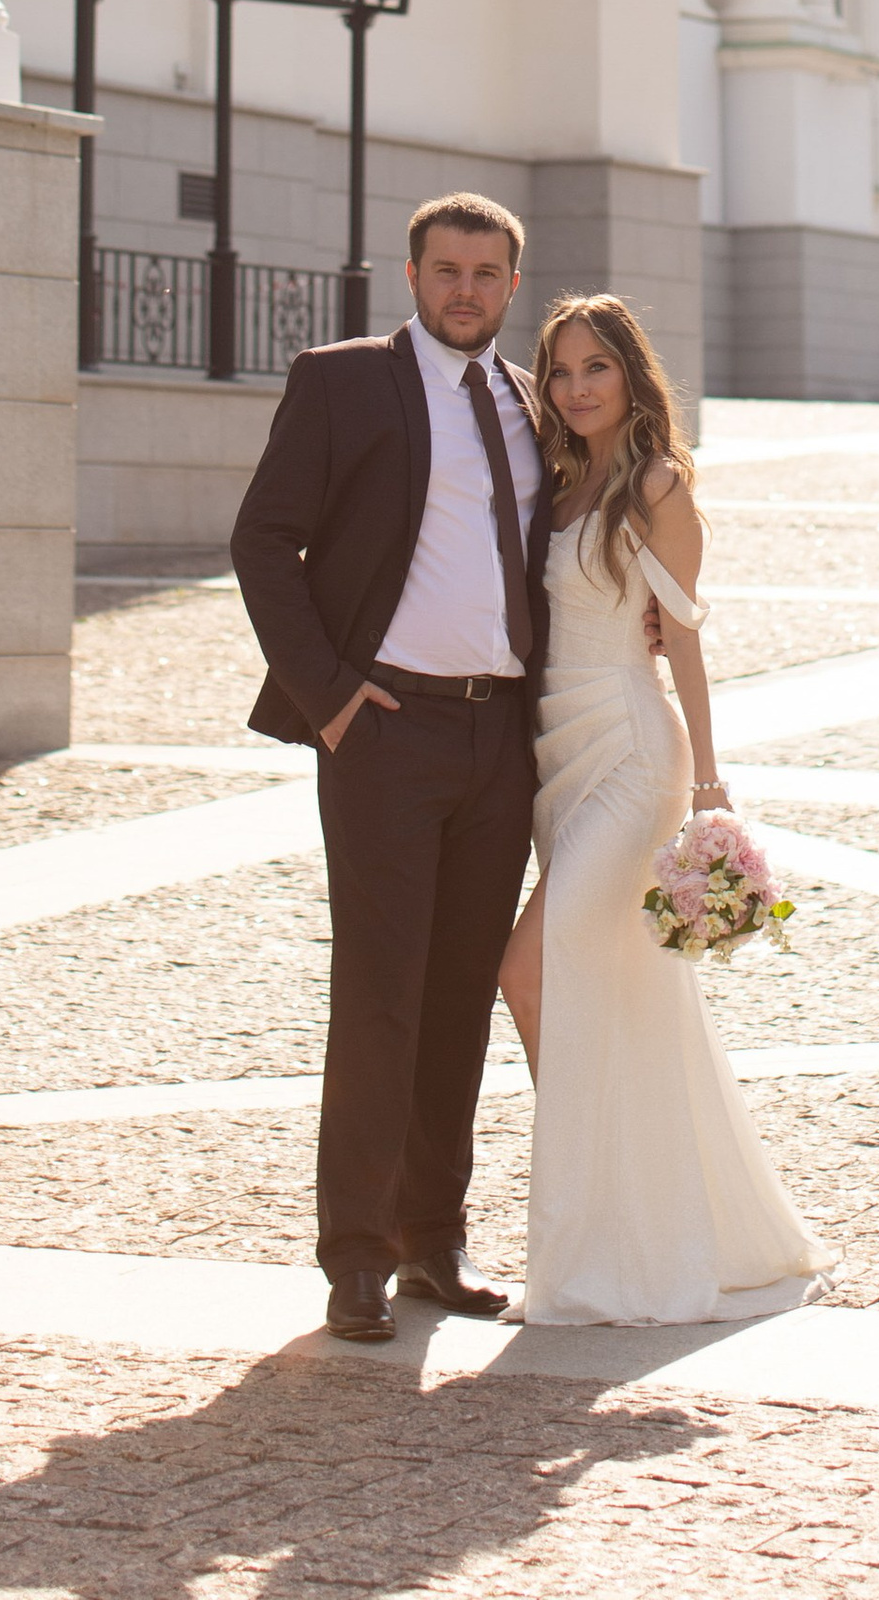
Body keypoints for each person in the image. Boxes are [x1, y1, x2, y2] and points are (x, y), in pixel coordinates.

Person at [230, 192, 550, 1344]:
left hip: (498, 739)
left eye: (485, 274)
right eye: (445, 269)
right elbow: (263, 537)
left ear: (514, 287)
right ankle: (354, 1255)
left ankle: (433, 1243)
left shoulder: (529, 406)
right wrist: (329, 697)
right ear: (410, 275)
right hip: (385, 731)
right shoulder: (344, 380)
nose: (464, 290)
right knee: (379, 995)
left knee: (459, 996)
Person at [497, 292, 818, 1328]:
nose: (576, 387)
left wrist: (713, 788)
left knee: (529, 972)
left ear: (633, 377)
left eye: (596, 368)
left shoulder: (654, 483)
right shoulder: (551, 480)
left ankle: (596, 1222)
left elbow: (679, 638)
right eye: (559, 371)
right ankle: (620, 1218)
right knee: (611, 994)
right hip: (558, 756)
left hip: (634, 757)